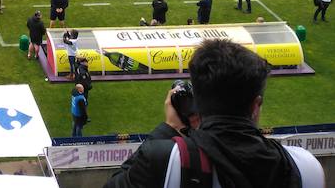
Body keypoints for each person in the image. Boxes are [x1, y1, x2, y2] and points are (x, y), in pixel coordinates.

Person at [104, 39, 324, 188]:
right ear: (256, 106)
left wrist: (169, 128)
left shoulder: (166, 159)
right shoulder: (306, 167)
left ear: (195, 103)